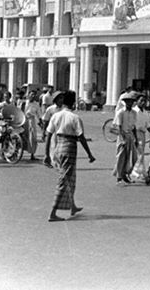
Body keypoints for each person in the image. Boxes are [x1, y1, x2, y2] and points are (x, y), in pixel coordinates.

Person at [45, 91, 95, 222]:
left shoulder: (56, 116)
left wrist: (47, 155)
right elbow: (81, 137)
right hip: (69, 148)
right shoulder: (74, 117)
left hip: (58, 147)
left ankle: (72, 206)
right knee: (64, 179)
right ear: (72, 103)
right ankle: (52, 212)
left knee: (69, 177)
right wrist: (89, 154)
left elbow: (49, 135)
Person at [112, 92, 137, 186]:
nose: (129, 103)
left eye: (131, 101)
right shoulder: (121, 112)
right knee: (121, 157)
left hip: (130, 135)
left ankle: (126, 174)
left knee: (132, 157)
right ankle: (119, 177)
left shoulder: (134, 113)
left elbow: (134, 126)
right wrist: (122, 139)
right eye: (128, 101)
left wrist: (135, 138)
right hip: (122, 135)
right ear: (125, 102)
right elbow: (118, 126)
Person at [129, 94, 150, 184]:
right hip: (135, 133)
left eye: (144, 101)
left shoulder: (145, 112)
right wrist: (134, 137)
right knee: (140, 155)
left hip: (142, 133)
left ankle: (143, 175)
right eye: (141, 100)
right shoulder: (134, 111)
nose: (143, 103)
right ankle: (136, 173)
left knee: (140, 155)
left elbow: (148, 125)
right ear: (137, 101)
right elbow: (132, 125)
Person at [41, 91, 64, 168]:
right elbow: (46, 120)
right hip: (53, 131)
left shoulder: (65, 109)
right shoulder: (50, 109)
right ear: (55, 100)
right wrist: (43, 132)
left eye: (62, 98)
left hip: (63, 131)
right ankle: (53, 161)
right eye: (59, 98)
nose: (61, 100)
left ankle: (60, 164)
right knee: (54, 147)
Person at [24, 89, 42, 161]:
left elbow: (39, 114)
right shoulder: (24, 103)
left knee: (33, 138)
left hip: (32, 121)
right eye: (31, 94)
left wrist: (41, 122)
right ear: (28, 95)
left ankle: (32, 154)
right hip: (23, 120)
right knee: (23, 136)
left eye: (34, 95)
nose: (33, 96)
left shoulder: (36, 104)